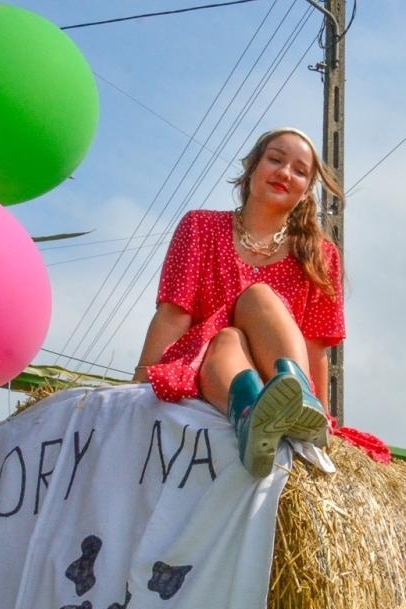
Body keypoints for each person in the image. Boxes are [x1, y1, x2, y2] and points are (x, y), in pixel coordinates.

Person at [132, 127, 345, 478]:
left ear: (307, 192)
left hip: (280, 372)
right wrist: (138, 391)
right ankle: (251, 418)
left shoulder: (320, 255)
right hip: (208, 371)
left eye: (299, 171)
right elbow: (173, 316)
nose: (284, 173)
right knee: (226, 337)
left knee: (257, 297)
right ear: (252, 168)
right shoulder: (199, 227)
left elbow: (315, 346)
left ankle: (297, 404)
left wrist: (322, 417)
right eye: (275, 159)